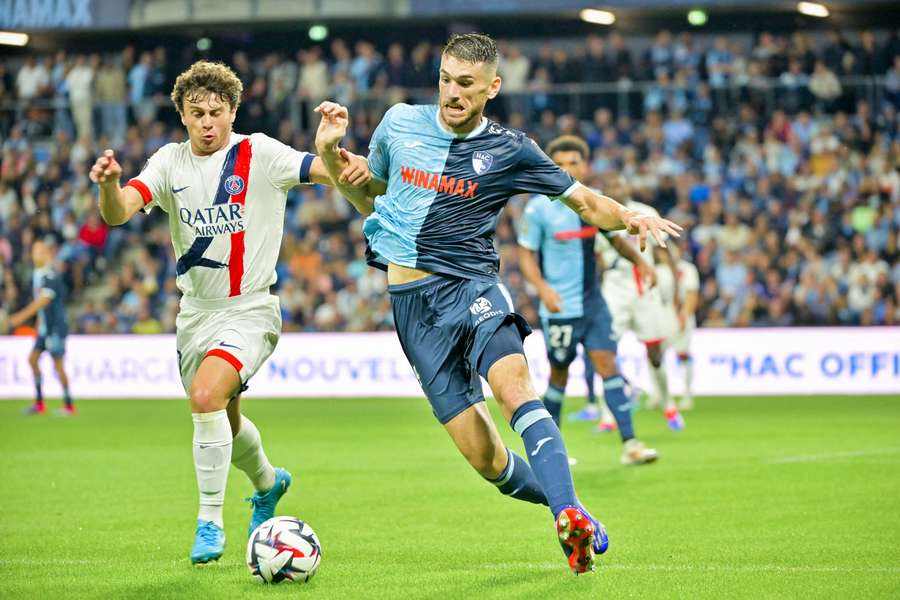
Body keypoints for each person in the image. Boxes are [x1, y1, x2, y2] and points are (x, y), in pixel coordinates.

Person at [313, 33, 681, 574]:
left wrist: (629, 214)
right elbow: (371, 199)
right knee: (486, 461)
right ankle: (572, 512)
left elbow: (582, 199)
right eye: (445, 79)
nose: (452, 93)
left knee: (515, 391)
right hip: (413, 308)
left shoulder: (511, 148)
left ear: (492, 88)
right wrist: (327, 152)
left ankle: (567, 515)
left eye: (465, 84)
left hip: (474, 289)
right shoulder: (398, 124)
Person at [88, 60, 367, 565]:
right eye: (197, 113)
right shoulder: (168, 162)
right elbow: (118, 211)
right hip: (194, 315)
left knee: (204, 395)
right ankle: (267, 484)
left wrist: (333, 147)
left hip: (251, 309)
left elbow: (327, 172)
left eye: (217, 112)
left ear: (233, 111)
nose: (208, 122)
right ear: (183, 116)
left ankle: (209, 521)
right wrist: (108, 185)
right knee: (223, 418)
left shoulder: (259, 152)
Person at [517, 134, 658, 466]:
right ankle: (552, 453)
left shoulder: (592, 203)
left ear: (585, 165)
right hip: (560, 307)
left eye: (573, 163)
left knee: (609, 366)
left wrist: (643, 264)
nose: (566, 169)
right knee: (559, 377)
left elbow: (615, 240)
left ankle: (631, 444)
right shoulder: (538, 209)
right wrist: (543, 288)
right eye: (560, 164)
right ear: (549, 165)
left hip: (593, 303)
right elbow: (525, 256)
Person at [594, 173, 686, 431]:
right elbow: (598, 257)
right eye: (610, 184)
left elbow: (665, 252)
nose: (614, 187)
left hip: (646, 288)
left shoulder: (645, 212)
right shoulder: (598, 213)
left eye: (618, 184)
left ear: (627, 187)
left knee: (655, 352)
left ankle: (669, 405)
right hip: (615, 288)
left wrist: (676, 292)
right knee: (604, 351)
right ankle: (608, 415)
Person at [7, 239, 74, 416]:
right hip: (45, 329)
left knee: (58, 365)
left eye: (39, 251)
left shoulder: (49, 275)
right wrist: (38, 326)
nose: (35, 254)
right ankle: (39, 403)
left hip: (55, 328)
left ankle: (69, 405)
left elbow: (44, 301)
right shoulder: (37, 274)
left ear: (46, 255)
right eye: (34, 251)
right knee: (32, 359)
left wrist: (20, 317)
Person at [656, 244, 700, 410]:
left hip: (681, 313)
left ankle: (687, 393)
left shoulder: (687, 269)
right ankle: (659, 393)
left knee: (683, 355)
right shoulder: (658, 270)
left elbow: (691, 294)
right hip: (662, 315)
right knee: (655, 356)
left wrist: (685, 316)